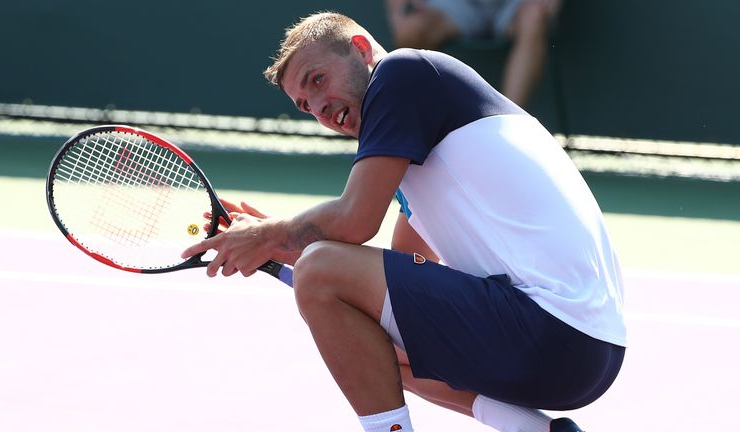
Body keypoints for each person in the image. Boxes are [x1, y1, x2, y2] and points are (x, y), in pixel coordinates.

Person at [182, 11, 626, 432]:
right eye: (305, 105)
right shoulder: (424, 147)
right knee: (367, 341)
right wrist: (280, 245)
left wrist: (271, 235)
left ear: (360, 48)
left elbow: (355, 222)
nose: (319, 108)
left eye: (318, 81)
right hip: (589, 354)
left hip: (553, 330)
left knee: (320, 269)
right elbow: (397, 278)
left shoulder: (403, 73)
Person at [385, 0, 561, 108]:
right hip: (457, 5)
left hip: (516, 4)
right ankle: (430, 123)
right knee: (410, 31)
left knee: (535, 16)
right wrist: (397, 9)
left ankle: (508, 125)